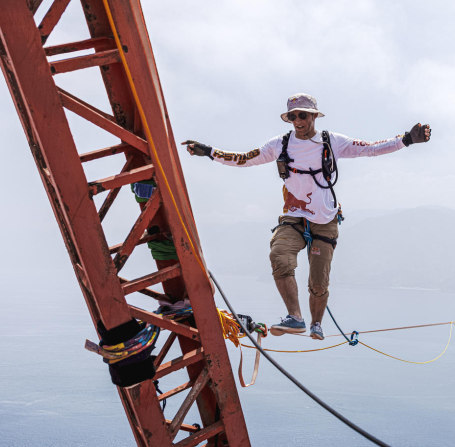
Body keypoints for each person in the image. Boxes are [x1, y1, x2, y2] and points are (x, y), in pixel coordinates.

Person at [183, 93, 431, 340]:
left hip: (325, 220)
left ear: (313, 116)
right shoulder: (279, 144)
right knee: (279, 256)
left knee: (319, 283)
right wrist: (209, 152)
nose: (297, 120)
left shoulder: (331, 141)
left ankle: (316, 324)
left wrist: (407, 139)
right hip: (294, 217)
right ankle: (295, 317)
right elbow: (244, 159)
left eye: (302, 115)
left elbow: (371, 149)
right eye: (292, 116)